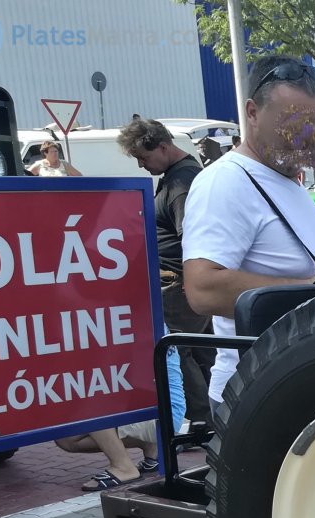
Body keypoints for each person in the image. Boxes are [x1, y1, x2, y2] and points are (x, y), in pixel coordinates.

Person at [182, 55, 315, 410]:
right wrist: (314, 292)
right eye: (290, 122)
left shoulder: (286, 179)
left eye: (313, 124)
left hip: (288, 383)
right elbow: (202, 289)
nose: (304, 136)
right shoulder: (226, 181)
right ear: (252, 112)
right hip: (256, 395)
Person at [116, 117, 214, 424]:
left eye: (143, 158)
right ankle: (211, 419)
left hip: (178, 283)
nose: (142, 165)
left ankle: (198, 422)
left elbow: (192, 238)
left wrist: (191, 281)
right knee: (200, 352)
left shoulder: (180, 184)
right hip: (182, 282)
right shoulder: (178, 177)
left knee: (178, 352)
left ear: (162, 147)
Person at [57, 347, 186, 490]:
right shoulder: (150, 327)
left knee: (92, 409)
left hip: (160, 415)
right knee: (66, 438)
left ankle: (123, 467)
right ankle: (153, 447)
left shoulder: (133, 332)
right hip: (167, 412)